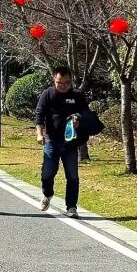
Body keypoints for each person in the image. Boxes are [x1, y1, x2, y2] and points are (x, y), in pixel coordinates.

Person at [35, 65, 90, 218]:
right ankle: (47, 194)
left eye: (67, 83)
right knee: (47, 173)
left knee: (72, 176)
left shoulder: (77, 96)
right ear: (54, 80)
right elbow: (39, 115)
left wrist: (79, 120)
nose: (63, 86)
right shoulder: (48, 94)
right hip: (51, 141)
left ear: (71, 81)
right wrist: (40, 134)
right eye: (59, 83)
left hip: (70, 143)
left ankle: (71, 206)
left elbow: (86, 113)